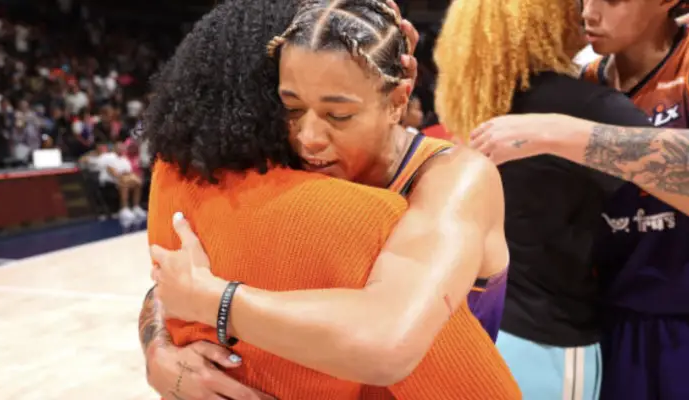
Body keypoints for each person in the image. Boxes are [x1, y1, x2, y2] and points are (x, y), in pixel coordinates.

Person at [142, 0, 519, 399]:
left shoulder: (457, 179)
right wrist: (158, 349)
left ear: (397, 101)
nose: (309, 137)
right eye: (292, 108)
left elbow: (388, 341)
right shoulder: (300, 168)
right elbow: (172, 284)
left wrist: (215, 302)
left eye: (337, 115)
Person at [432, 0, 673, 398]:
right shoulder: (585, 106)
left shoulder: (477, 97)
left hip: (481, 325)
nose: (587, 12)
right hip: (549, 340)